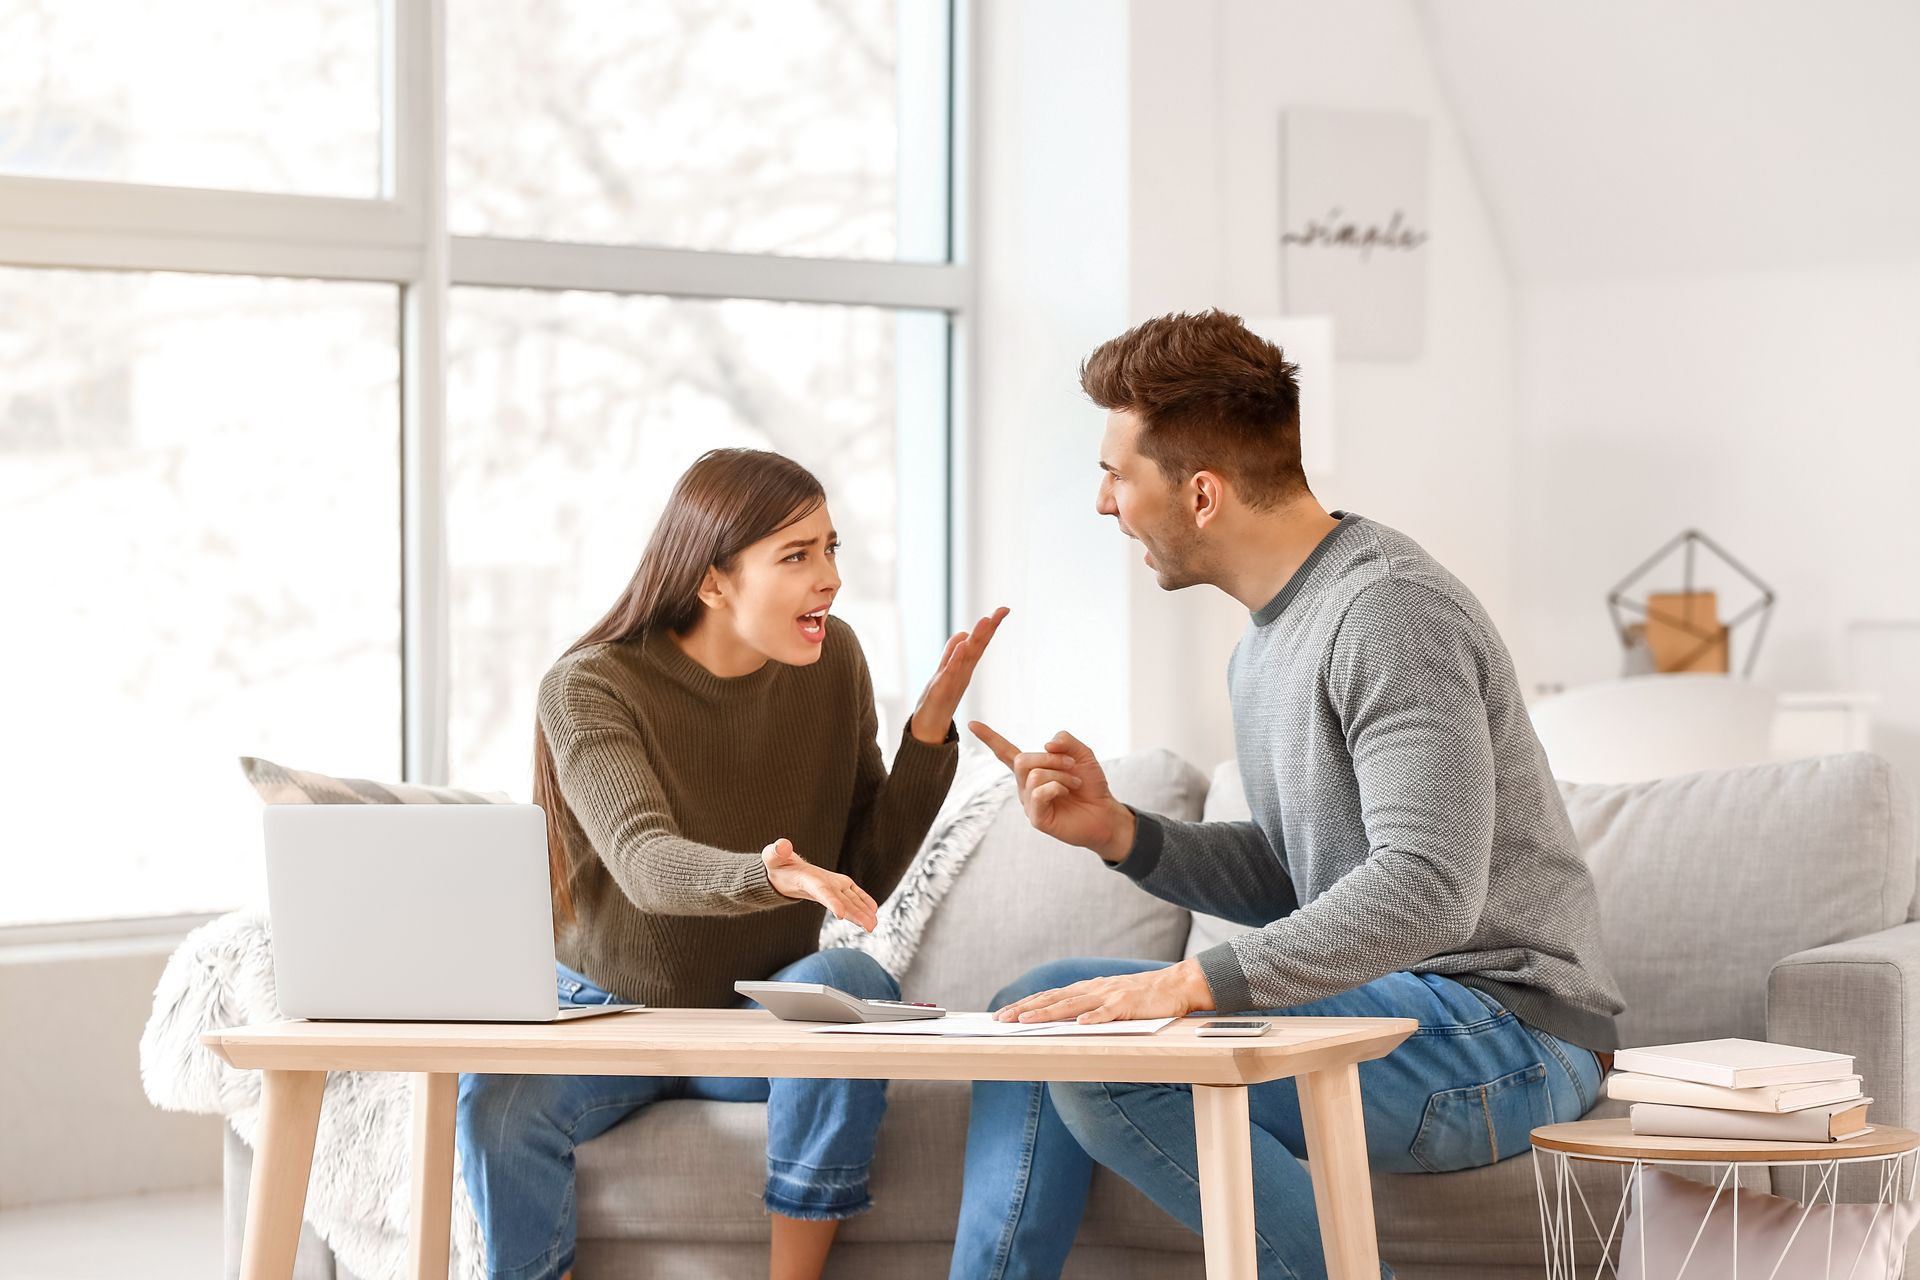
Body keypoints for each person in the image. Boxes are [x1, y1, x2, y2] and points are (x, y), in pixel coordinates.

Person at [949, 310, 1625, 1280]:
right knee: (1035, 1013)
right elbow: (1307, 876)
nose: (1104, 503)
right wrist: (1124, 832)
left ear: (1203, 492)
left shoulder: (1388, 610)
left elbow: (1427, 889)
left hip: (1504, 1031)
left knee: (1111, 1055)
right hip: (1404, 1012)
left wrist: (1187, 984)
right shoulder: (1268, 640)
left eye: (1116, 474)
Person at [457, 447, 1006, 1280]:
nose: (828, 578)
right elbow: (645, 861)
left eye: (831, 550)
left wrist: (927, 737)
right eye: (797, 556)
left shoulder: (833, 661)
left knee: (853, 984)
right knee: (495, 1094)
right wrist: (768, 874)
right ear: (713, 582)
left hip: (751, 1021)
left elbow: (862, 873)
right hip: (608, 1019)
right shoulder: (589, 685)